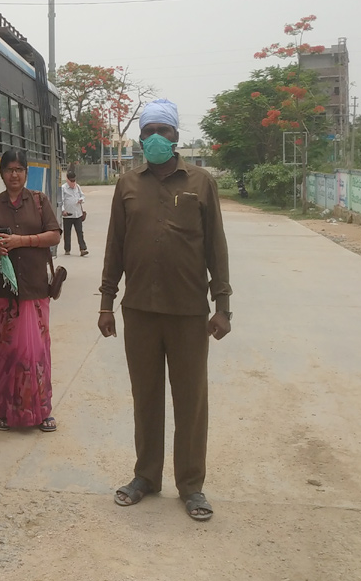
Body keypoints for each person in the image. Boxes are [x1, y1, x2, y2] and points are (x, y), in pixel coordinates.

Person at [98, 98, 232, 522]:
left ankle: (191, 486)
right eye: (149, 131)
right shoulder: (127, 183)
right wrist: (106, 302)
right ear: (140, 137)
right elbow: (114, 246)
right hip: (139, 310)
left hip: (189, 312)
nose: (156, 138)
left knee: (191, 401)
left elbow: (216, 247)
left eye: (164, 131)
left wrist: (222, 305)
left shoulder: (201, 182)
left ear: (177, 136)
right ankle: (146, 477)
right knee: (146, 397)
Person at [0, 149, 63, 431]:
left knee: (37, 352)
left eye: (19, 169)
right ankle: (3, 411)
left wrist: (21, 240)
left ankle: (42, 410)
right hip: (4, 293)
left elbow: (54, 234)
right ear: (2, 173)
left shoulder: (39, 201)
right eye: (9, 170)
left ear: (26, 172)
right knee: (5, 352)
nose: (14, 174)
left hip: (35, 290)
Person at [59, 169, 88, 256]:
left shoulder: (77, 187)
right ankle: (67, 249)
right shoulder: (63, 188)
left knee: (80, 232)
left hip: (77, 214)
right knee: (67, 233)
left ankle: (82, 249)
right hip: (68, 215)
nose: (73, 183)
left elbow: (82, 195)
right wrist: (63, 210)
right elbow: (61, 200)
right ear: (67, 180)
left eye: (74, 180)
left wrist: (81, 199)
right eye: (71, 181)